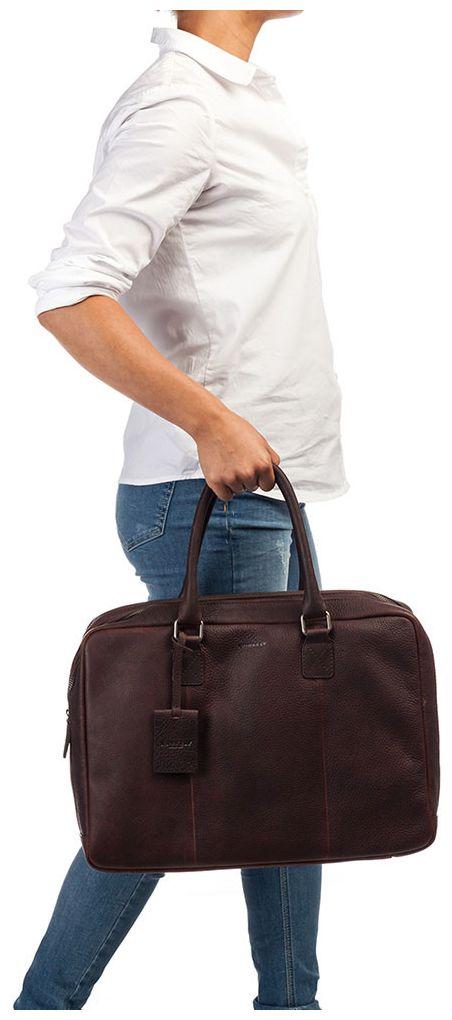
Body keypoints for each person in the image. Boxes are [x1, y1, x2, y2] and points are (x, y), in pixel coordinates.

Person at [15, 9, 349, 1010]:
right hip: (211, 498)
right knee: (184, 781)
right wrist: (209, 421)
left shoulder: (240, 98)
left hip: (256, 495)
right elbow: (71, 292)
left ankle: (290, 1001)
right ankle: (46, 1002)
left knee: (276, 766)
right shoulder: (182, 104)